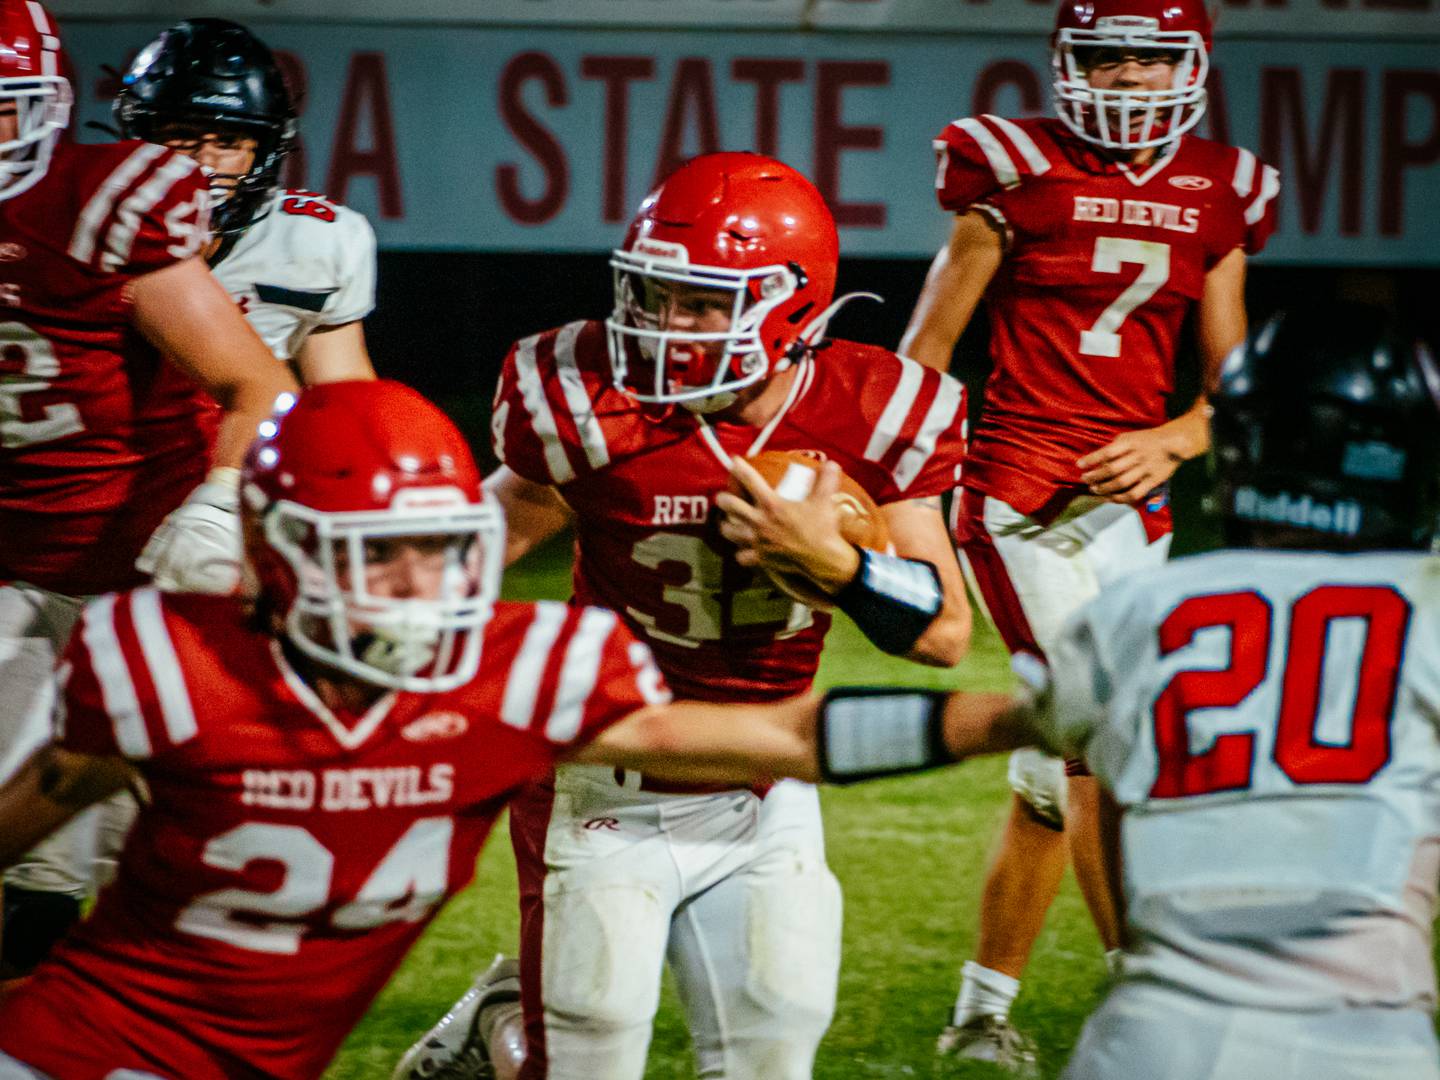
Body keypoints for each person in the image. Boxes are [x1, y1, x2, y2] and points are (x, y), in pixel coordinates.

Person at [0, 378, 894, 1080]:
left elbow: (793, 735)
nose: (411, 586)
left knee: (775, 1035)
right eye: (374, 555)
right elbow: (45, 801)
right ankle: (501, 1026)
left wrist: (993, 709)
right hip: (91, 1041)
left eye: (428, 550)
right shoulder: (173, 659)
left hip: (749, 796)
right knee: (585, 1051)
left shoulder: (510, 672)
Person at [395, 152, 972, 1080]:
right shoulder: (587, 399)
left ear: (790, 306)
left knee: (771, 1054)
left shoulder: (871, 409)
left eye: (700, 303)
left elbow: (944, 630)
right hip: (604, 785)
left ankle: (517, 1005)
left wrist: (843, 566)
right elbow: (504, 524)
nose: (663, 326)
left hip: (766, 788)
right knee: (584, 1059)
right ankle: (508, 1023)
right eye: (653, 294)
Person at [898, 0, 1280, 1066]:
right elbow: (925, 353)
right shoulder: (1011, 170)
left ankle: (980, 1014)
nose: (1122, 80)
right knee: (1103, 740)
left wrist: (1179, 438)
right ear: (1067, 63)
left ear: (1191, 69)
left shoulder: (1223, 187)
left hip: (1133, 507)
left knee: (1051, 771)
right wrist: (896, 494)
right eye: (1103, 58)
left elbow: (1229, 379)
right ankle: (1149, 992)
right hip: (1019, 493)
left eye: (1147, 61)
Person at [0, 0, 297, 976]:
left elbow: (263, 386)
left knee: (117, 864)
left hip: (129, 565)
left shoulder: (99, 203)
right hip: (12, 562)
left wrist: (217, 509)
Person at [114, 17, 377, 384]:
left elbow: (339, 397)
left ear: (263, 150)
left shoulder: (313, 242)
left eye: (227, 142)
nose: (203, 161)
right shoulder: (88, 228)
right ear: (141, 136)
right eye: (181, 136)